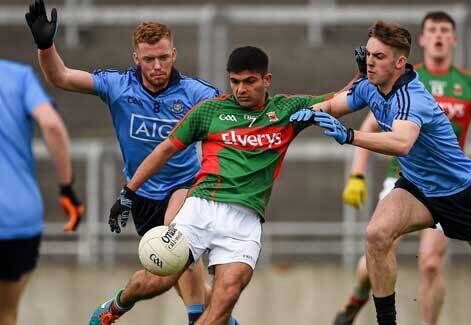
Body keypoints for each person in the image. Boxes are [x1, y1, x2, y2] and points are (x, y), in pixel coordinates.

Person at [290, 20, 471, 325]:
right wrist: (292, 118)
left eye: (379, 57)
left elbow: (401, 142)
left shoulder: (413, 97)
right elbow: (333, 104)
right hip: (417, 187)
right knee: (376, 234)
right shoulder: (369, 86)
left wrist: (349, 136)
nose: (369, 62)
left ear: (399, 62)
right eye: (367, 54)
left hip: (459, 192)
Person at [86, 45, 340, 325]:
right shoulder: (211, 110)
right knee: (154, 282)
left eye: (249, 81)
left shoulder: (287, 110)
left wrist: (366, 74)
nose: (240, 89)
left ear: (266, 80)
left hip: (244, 223)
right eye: (235, 81)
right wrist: (128, 192)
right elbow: (164, 150)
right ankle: (118, 305)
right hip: (201, 208)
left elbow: (344, 100)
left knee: (223, 302)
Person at [25, 1, 221, 323]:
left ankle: (195, 318)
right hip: (142, 193)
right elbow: (60, 76)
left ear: (174, 54)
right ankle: (125, 304)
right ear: (136, 59)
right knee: (167, 277)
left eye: (163, 57)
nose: (157, 65)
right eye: (149, 59)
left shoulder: (197, 94)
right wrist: (46, 46)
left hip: (185, 185)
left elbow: (234, 119)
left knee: (178, 241)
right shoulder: (118, 86)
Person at [334, 11, 471, 325]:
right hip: (402, 177)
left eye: (446, 30)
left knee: (430, 263)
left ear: (454, 39)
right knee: (373, 253)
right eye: (433, 30)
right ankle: (355, 301)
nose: (440, 36)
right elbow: (369, 123)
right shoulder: (398, 73)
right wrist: (357, 175)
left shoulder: (470, 84)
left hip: (445, 182)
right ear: (424, 39)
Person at [0, 59, 83, 325]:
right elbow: (51, 125)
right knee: (6, 313)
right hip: (16, 219)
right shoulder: (17, 76)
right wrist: (66, 187)